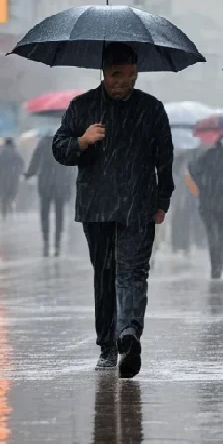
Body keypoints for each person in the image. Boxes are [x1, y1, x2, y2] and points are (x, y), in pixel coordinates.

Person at [53, 43, 174, 378]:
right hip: (97, 207)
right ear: (104, 73)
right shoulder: (82, 106)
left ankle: (128, 333)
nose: (124, 82)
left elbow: (165, 159)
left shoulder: (150, 109)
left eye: (131, 75)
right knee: (105, 275)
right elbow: (59, 149)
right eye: (117, 75)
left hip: (138, 204)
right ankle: (108, 345)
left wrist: (163, 200)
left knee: (133, 273)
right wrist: (82, 141)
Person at [189, 134, 223, 279]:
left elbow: (193, 170)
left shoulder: (205, 157)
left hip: (208, 202)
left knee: (213, 234)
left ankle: (216, 266)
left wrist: (202, 186)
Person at [27, 130, 75, 257]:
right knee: (59, 214)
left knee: (45, 213)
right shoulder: (63, 143)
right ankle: (57, 241)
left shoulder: (42, 143)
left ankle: (46, 239)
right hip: (60, 184)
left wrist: (29, 174)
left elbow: (35, 162)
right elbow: (69, 165)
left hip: (45, 184)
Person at [0, 138, 24, 219]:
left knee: (3, 197)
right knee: (11, 196)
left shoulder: (0, 152)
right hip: (13, 178)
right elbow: (21, 164)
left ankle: (4, 214)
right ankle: (10, 213)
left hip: (2, 178)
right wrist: (19, 172)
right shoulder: (15, 152)